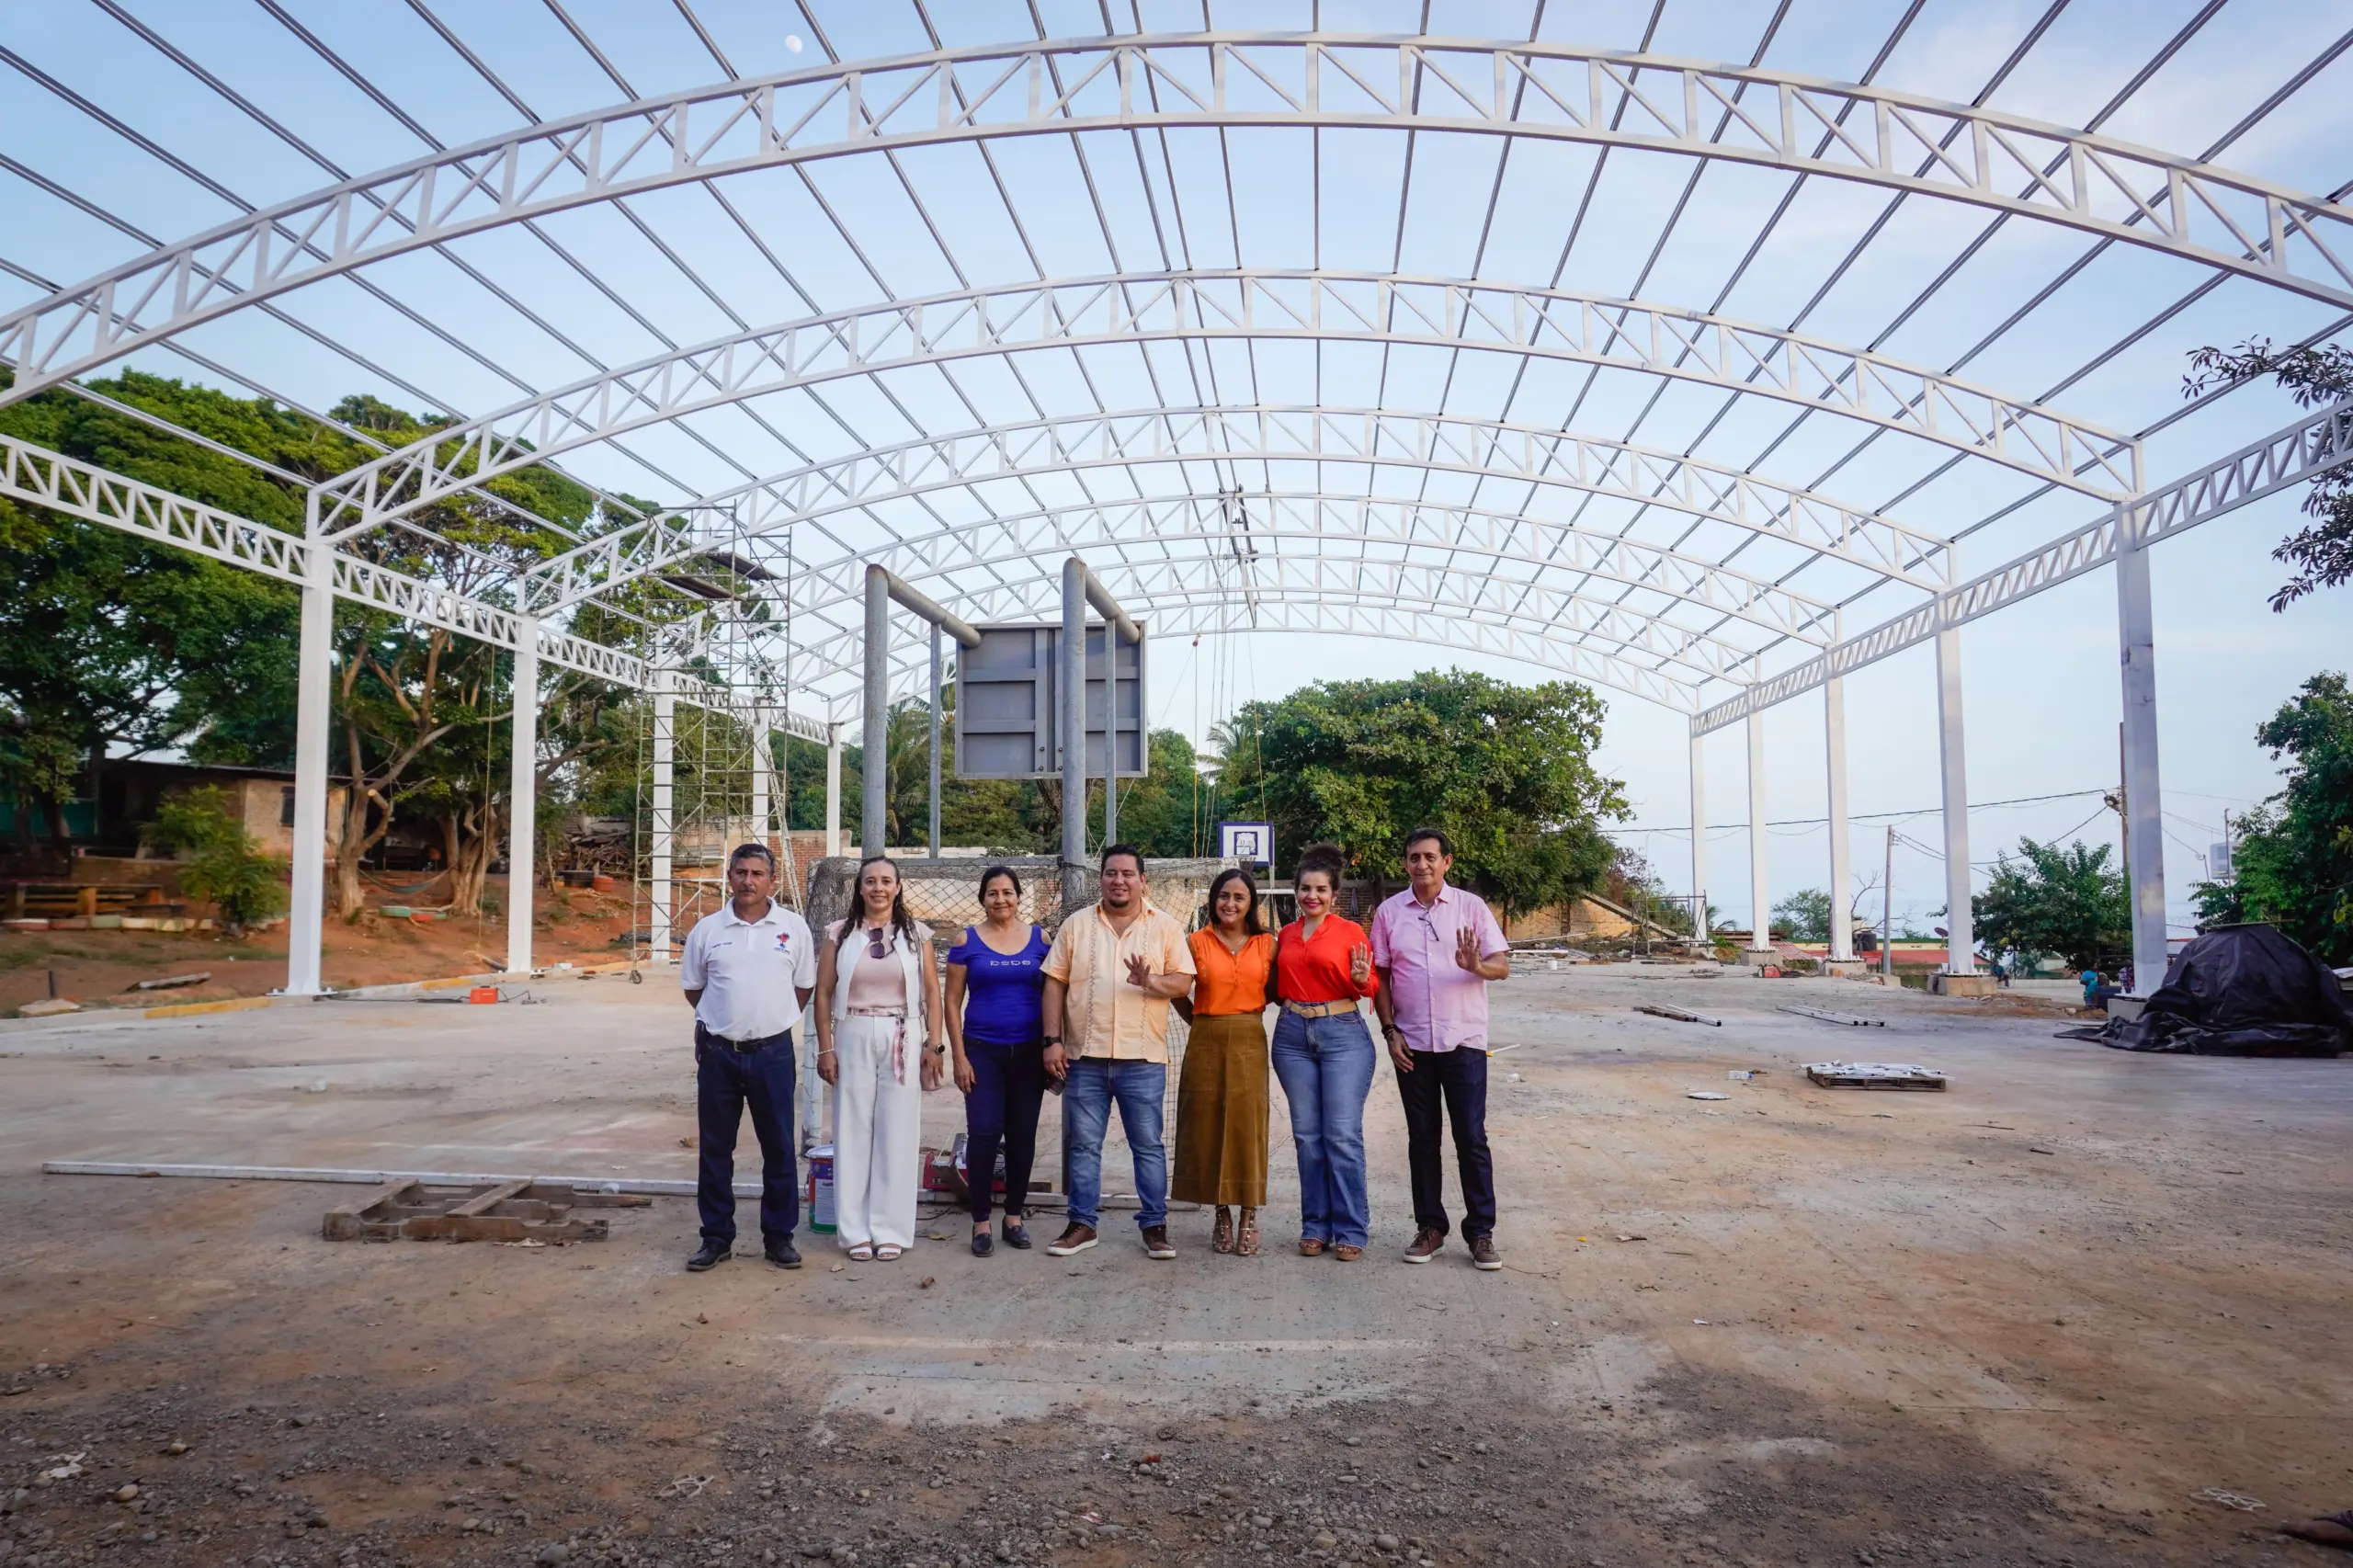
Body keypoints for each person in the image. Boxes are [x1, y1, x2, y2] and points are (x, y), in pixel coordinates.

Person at [1040, 844, 1197, 1260]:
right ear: (1101, 879)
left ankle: (1155, 1226)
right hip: (1084, 1058)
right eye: (1111, 873)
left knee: (1147, 1145)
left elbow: (1182, 982)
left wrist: (1150, 982)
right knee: (1084, 1146)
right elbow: (1054, 982)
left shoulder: (1165, 926)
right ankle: (1082, 1224)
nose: (1119, 880)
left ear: (1143, 880)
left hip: (1142, 1059)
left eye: (1128, 873)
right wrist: (1051, 1040)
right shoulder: (1076, 925)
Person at [1369, 827, 1509, 1272]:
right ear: (1405, 863)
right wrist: (1391, 1032)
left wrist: (1476, 965)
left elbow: (1501, 967)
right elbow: (1383, 979)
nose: (1422, 864)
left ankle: (1481, 1232)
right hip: (1412, 1044)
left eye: (1430, 857)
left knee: (1471, 1137)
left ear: (1447, 861)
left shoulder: (1471, 907)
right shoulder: (1389, 913)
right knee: (1422, 1140)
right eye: (1414, 857)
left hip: (1463, 1040)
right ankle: (1430, 1227)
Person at [678, 844, 817, 1273]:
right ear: (730, 876)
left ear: (772, 880)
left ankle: (779, 1238)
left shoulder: (793, 928)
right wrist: (728, 1020)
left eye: (758, 873)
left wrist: (769, 1020)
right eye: (741, 872)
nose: (749, 880)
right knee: (716, 1149)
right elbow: (694, 988)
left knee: (778, 1148)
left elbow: (803, 987)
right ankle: (716, 1237)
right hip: (719, 1054)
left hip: (772, 1054)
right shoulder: (707, 929)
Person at [813, 857, 944, 1261]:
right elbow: (822, 992)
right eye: (870, 881)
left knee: (897, 1132)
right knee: (852, 1131)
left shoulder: (916, 934)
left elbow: (932, 992)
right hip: (852, 1031)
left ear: (899, 887)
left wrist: (933, 1045)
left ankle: (890, 1229)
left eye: (886, 881)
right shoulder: (840, 933)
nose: (878, 888)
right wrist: (826, 1047)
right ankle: (855, 1232)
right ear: (860, 888)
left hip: (903, 1033)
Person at [1268, 842, 1380, 1260]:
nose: (1311, 896)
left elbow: (1370, 987)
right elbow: (1277, 988)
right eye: (1304, 889)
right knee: (1307, 1137)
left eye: (1320, 890)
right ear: (1295, 892)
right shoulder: (1286, 934)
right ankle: (1315, 1226)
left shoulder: (1351, 933)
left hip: (1342, 1035)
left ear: (1333, 895)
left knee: (1341, 1136)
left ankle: (1351, 1230)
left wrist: (1361, 978)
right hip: (1293, 1036)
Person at [944, 865, 1051, 1256]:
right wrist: (959, 1056)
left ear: (1018, 897)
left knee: (1022, 1135)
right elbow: (952, 1003)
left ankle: (1014, 1218)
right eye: (992, 893)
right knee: (985, 1133)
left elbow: (1054, 993)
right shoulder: (965, 940)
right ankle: (981, 1222)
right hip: (982, 1051)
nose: (1001, 899)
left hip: (1028, 1053)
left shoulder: (1041, 938)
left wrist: (1053, 1045)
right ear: (982, 899)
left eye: (1007, 892)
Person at [1171, 867, 1276, 1257]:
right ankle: (1221, 1213)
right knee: (1208, 1123)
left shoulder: (1268, 945)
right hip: (1206, 1038)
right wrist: (1201, 1020)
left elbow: (1280, 989)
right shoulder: (1194, 942)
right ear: (1213, 900)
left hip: (1250, 1037)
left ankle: (1248, 1212)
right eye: (1223, 896)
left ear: (1251, 904)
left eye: (1239, 898)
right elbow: (1180, 991)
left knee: (1248, 1126)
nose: (1230, 904)